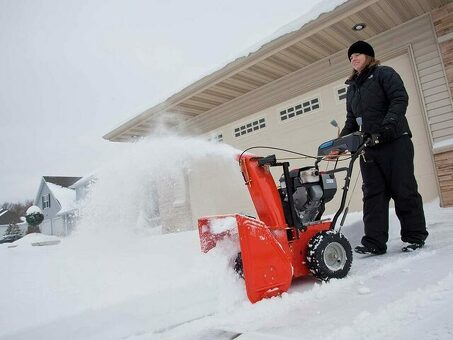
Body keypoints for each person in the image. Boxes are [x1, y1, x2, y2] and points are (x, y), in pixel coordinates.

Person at [335, 40, 428, 255]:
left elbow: (399, 98)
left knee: (403, 189)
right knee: (373, 195)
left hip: (395, 141)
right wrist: (340, 144)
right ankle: (374, 242)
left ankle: (414, 236)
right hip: (368, 148)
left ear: (368, 56)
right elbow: (351, 120)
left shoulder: (384, 73)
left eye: (357, 54)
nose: (353, 59)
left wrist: (388, 125)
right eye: (350, 57)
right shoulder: (352, 88)